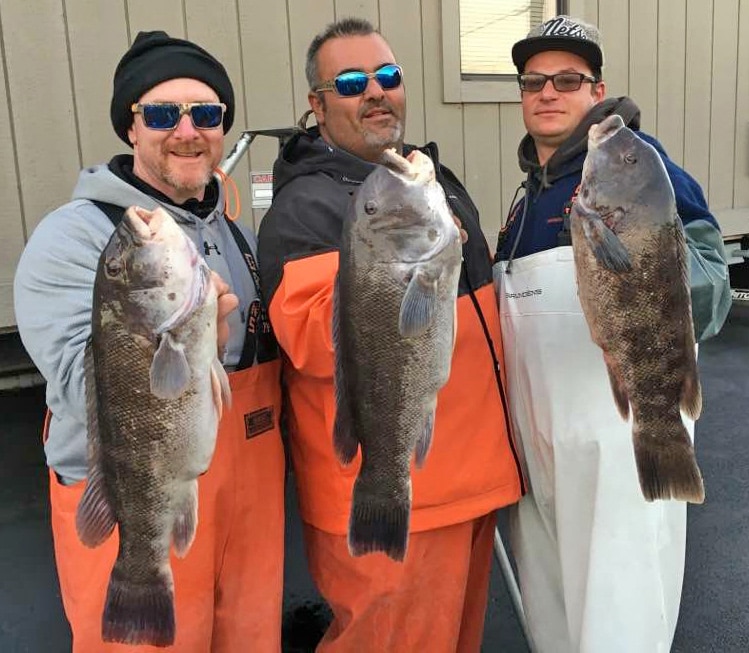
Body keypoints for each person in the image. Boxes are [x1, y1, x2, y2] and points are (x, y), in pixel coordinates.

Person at [257, 17, 523, 652]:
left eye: (388, 76)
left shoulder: (419, 180)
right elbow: (321, 341)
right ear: (317, 107)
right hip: (394, 491)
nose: (375, 91)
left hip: (466, 479)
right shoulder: (308, 208)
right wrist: (401, 271)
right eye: (351, 82)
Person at [13, 31, 285, 652]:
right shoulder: (74, 240)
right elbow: (88, 390)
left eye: (207, 114)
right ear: (131, 128)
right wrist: (191, 354)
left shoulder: (235, 233)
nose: (187, 130)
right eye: (162, 113)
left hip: (248, 504)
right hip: (135, 489)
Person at [493, 15, 732, 653]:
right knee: (554, 607)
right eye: (533, 81)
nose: (547, 92)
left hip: (622, 436)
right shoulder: (527, 199)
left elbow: (710, 285)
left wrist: (646, 266)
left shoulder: (640, 172)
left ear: (597, 91)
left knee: (621, 609)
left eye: (567, 80)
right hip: (539, 448)